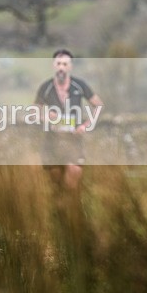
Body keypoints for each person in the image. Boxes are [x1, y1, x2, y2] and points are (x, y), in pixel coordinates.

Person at [34, 49, 104, 191]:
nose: (61, 67)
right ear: (54, 66)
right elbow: (34, 112)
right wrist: (46, 117)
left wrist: (86, 125)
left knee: (73, 175)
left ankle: (72, 206)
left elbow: (99, 105)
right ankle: (59, 207)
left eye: (65, 64)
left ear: (70, 67)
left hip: (74, 139)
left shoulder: (80, 85)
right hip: (52, 140)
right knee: (55, 183)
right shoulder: (45, 88)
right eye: (59, 64)